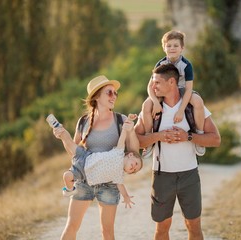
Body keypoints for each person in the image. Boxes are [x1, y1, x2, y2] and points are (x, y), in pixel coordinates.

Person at [134, 64, 221, 240]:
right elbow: (137, 141)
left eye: (157, 82)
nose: (153, 87)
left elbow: (215, 139)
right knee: (161, 229)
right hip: (161, 176)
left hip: (189, 175)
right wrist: (158, 136)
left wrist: (187, 137)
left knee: (194, 227)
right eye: (152, 82)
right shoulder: (151, 108)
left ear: (172, 82)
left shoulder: (192, 106)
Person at [53, 75, 140, 240]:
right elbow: (75, 152)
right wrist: (62, 136)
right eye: (109, 93)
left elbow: (134, 150)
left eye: (115, 93)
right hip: (84, 181)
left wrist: (131, 131)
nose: (114, 96)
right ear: (97, 96)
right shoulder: (83, 121)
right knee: (71, 227)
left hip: (109, 184)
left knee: (107, 233)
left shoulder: (120, 120)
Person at [53, 114, 142, 209]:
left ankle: (70, 190)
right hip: (86, 156)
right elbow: (124, 133)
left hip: (82, 172)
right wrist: (128, 120)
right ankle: (57, 127)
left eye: (134, 171)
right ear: (131, 155)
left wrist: (126, 197)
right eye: (136, 164)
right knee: (68, 141)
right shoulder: (119, 151)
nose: (134, 168)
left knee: (66, 176)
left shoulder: (118, 174)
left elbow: (121, 187)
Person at [141, 30, 206, 157]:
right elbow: (150, 86)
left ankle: (200, 135)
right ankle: (149, 138)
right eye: (169, 45)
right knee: (146, 106)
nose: (172, 48)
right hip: (162, 90)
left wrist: (181, 110)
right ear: (164, 48)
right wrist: (155, 102)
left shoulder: (186, 65)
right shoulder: (161, 64)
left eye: (176, 45)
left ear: (182, 48)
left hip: (181, 89)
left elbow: (188, 89)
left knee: (198, 102)